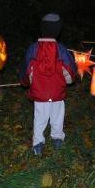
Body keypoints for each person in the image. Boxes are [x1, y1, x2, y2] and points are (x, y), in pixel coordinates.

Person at [19, 14, 77, 156]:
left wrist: (26, 82)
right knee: (58, 116)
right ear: (58, 30)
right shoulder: (61, 50)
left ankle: (38, 142)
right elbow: (69, 71)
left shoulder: (33, 49)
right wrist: (69, 79)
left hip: (40, 93)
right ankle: (57, 138)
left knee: (39, 118)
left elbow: (27, 70)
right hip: (57, 92)